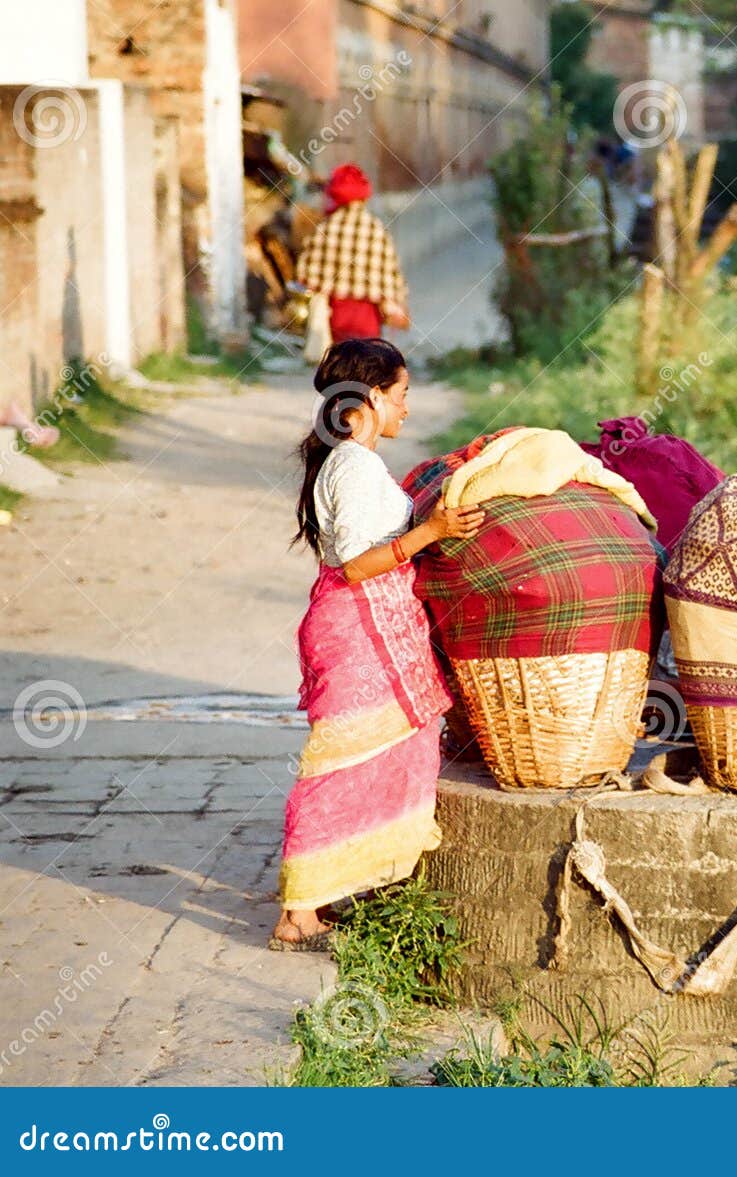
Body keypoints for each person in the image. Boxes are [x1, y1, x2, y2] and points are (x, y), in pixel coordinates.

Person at [273, 339, 484, 950]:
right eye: (401, 395)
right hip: (358, 629)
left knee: (376, 756)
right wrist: (433, 531)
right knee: (338, 766)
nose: (407, 409)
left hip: (361, 629)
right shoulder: (355, 467)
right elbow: (362, 566)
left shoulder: (347, 461)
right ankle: (297, 914)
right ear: (367, 399)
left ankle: (326, 893)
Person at [296, 163, 411, 345]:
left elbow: (306, 272)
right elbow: (391, 273)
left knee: (342, 356)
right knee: (369, 356)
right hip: (368, 315)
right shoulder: (376, 228)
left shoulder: (327, 228)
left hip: (337, 312)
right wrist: (397, 300)